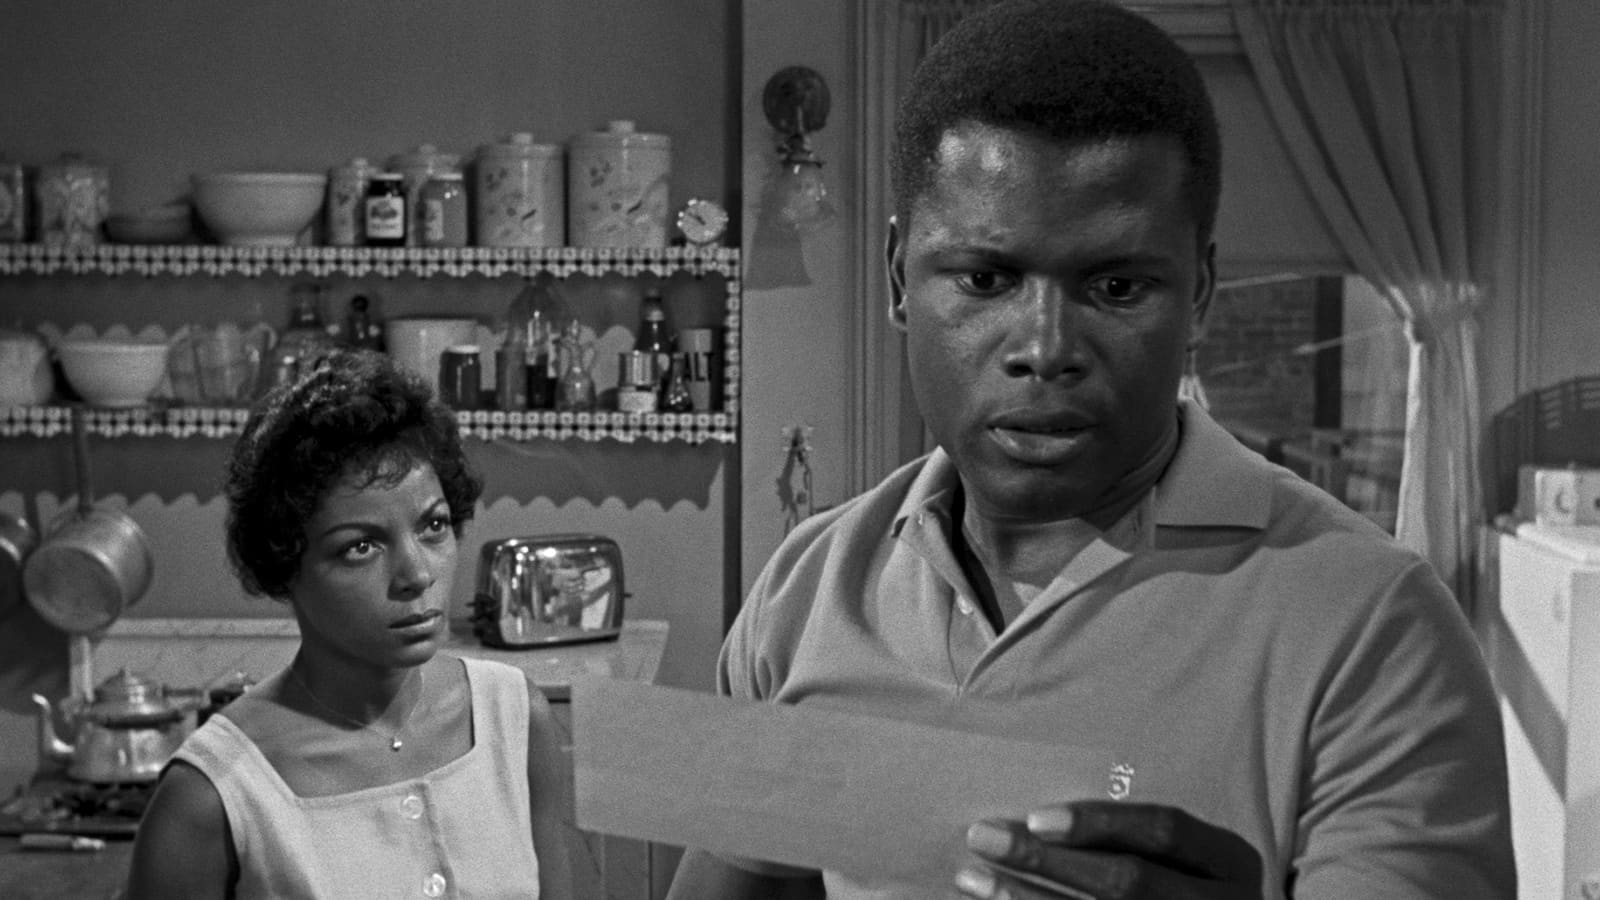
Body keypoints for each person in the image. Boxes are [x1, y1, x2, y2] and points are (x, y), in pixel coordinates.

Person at [666, 1, 1513, 898]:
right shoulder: (806, 593)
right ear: (898, 278)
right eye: (985, 278)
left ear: (1200, 293)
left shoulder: (1377, 631)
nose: (1046, 347)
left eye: (1116, 286)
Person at [125, 350, 572, 899]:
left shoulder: (515, 719)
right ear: (286, 565)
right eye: (361, 547)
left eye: (433, 526)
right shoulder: (210, 798)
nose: (417, 574)